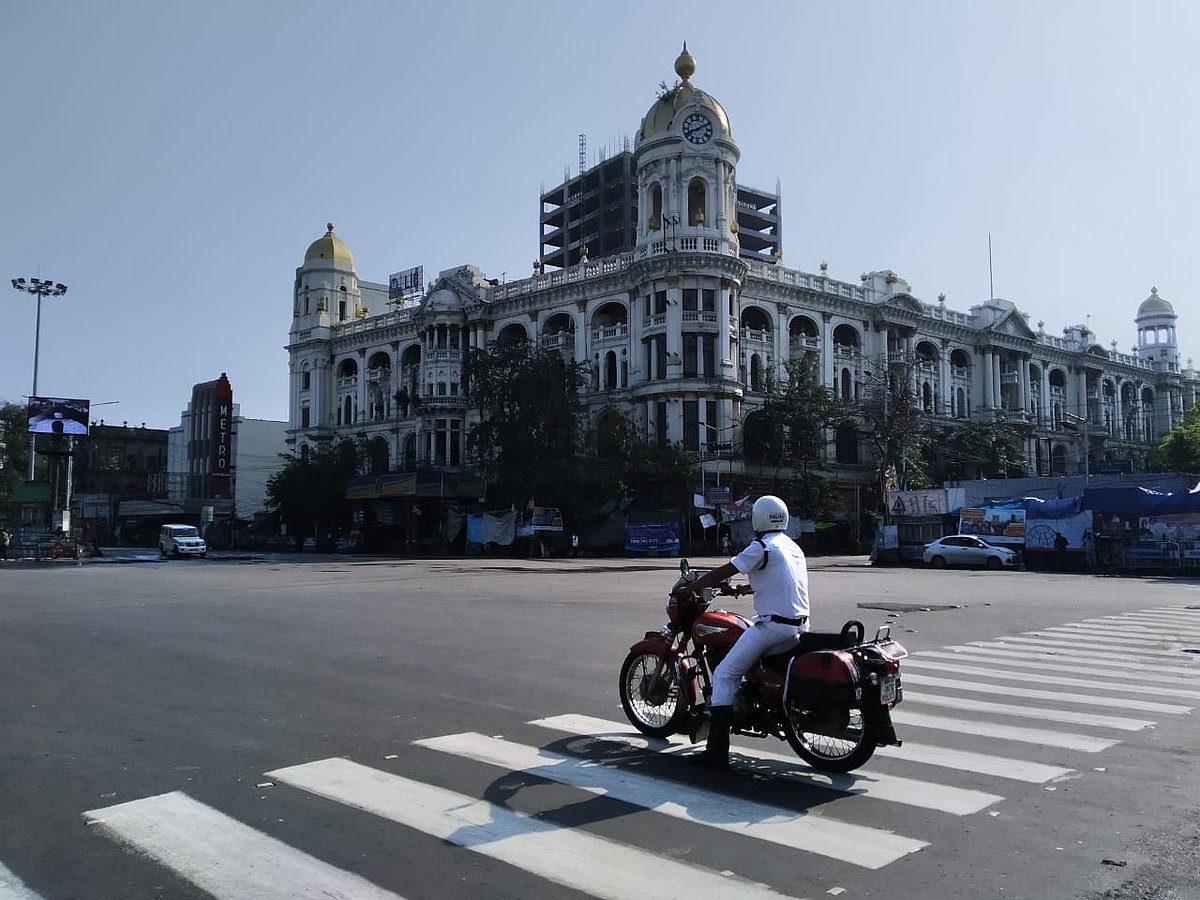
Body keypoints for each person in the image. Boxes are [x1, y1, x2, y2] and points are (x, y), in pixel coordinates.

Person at [670, 495, 810, 769]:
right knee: (744, 664)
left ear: (758, 518)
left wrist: (693, 586)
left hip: (773, 627)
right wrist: (742, 589)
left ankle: (716, 752)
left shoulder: (761, 547)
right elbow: (780, 583)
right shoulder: (792, 547)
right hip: (799, 626)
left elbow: (725, 570)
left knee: (724, 674)